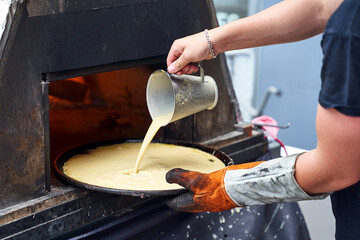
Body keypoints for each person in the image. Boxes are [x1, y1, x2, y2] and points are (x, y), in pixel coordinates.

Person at [165, 0, 360, 239]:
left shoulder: (350, 31)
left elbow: (336, 169)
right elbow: (321, 6)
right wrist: (210, 41)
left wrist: (224, 188)